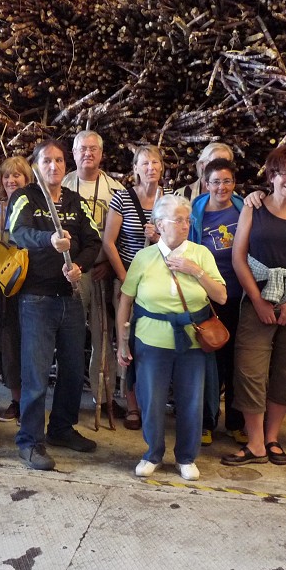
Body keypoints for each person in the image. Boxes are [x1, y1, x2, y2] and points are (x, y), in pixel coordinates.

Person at [222, 145, 286, 467]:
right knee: (250, 369)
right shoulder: (253, 208)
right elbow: (239, 257)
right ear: (271, 176)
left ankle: (272, 437)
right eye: (283, 173)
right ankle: (255, 443)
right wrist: (257, 300)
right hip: (259, 298)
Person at [117, 194, 227, 480]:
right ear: (160, 224)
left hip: (192, 340)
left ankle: (186, 457)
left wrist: (196, 271)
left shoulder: (200, 254)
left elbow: (221, 296)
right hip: (150, 340)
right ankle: (152, 453)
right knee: (151, 400)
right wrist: (122, 341)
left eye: (187, 220)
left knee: (191, 400)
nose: (185, 225)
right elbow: (125, 301)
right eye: (178, 220)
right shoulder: (144, 257)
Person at [8, 140, 102, 470]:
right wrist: (48, 239)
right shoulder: (26, 198)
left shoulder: (76, 202)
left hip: (71, 298)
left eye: (59, 160)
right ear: (36, 165)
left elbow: (94, 241)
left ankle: (61, 428)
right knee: (35, 374)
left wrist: (80, 266)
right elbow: (16, 232)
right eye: (47, 160)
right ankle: (29, 441)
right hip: (36, 298)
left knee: (73, 369)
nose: (54, 166)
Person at [62, 130, 125, 419]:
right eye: (82, 148)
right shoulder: (63, 185)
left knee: (104, 333)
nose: (87, 153)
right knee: (71, 333)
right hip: (75, 271)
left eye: (93, 149)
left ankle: (105, 396)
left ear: (101, 154)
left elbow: (124, 233)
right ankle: (69, 397)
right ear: (74, 153)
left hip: (103, 271)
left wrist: (110, 264)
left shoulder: (115, 189)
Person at [103, 144, 166, 430]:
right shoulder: (122, 198)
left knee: (154, 342)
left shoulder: (170, 198)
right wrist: (126, 278)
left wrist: (158, 238)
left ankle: (152, 401)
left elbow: (180, 241)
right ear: (136, 169)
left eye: (155, 163)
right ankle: (132, 404)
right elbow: (109, 242)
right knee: (128, 339)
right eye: (145, 163)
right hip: (128, 277)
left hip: (160, 281)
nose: (151, 168)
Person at [188, 158, 246, 446]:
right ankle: (206, 422)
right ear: (205, 183)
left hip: (240, 295)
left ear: (233, 183)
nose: (221, 187)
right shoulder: (194, 213)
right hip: (207, 297)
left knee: (238, 361)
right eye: (216, 182)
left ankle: (236, 422)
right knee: (208, 361)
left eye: (227, 181)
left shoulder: (244, 208)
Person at [0, 155, 32, 423]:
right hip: (3, 288)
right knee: (9, 342)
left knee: (33, 343)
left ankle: (31, 401)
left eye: (17, 175)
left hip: (32, 285)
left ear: (27, 178)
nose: (11, 180)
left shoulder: (37, 207)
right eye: (6, 175)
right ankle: (16, 399)